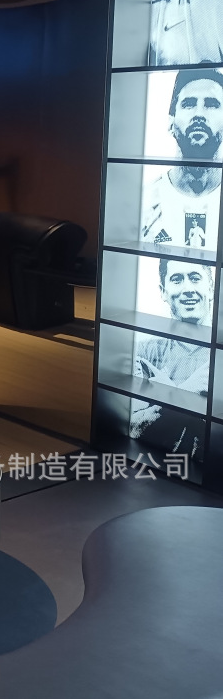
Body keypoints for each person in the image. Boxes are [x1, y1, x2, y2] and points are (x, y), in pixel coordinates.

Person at [130, 258, 211, 459]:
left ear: (210, 286)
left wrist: (165, 396)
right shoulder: (143, 351)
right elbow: (133, 429)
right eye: (177, 279)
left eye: (195, 278)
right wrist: (190, 391)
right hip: (147, 463)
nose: (188, 289)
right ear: (163, 291)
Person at [140, 68, 223, 248]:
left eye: (211, 104)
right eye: (188, 104)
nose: (199, 114)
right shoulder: (143, 202)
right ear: (171, 122)